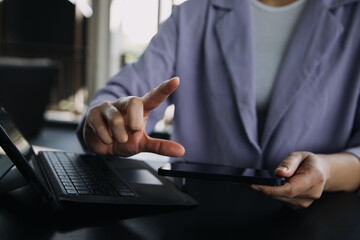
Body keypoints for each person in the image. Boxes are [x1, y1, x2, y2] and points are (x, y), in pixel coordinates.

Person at [77, 0, 360, 209]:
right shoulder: (194, 13)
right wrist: (107, 124)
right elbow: (126, 93)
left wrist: (329, 170)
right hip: (199, 214)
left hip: (324, 219)